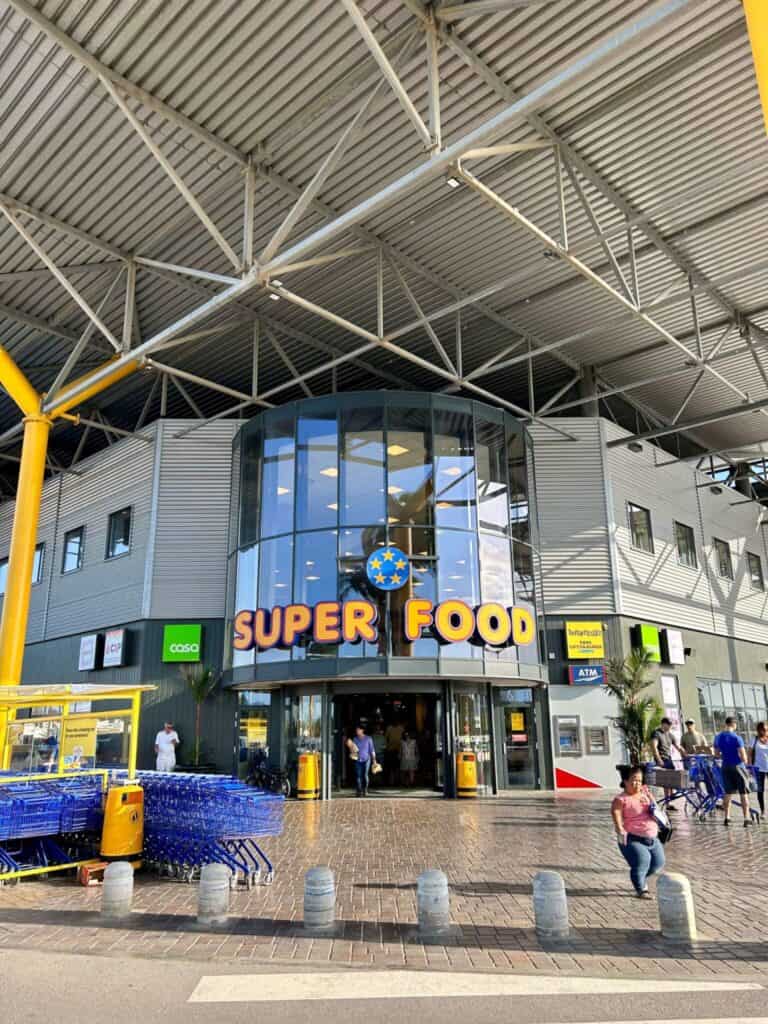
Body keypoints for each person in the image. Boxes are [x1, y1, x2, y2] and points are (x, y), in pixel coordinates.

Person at [611, 766, 666, 899]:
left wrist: (650, 797)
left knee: (658, 863)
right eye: (634, 780)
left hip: (653, 838)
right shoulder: (621, 799)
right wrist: (619, 827)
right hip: (633, 838)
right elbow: (616, 812)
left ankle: (639, 877)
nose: (637, 784)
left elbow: (656, 810)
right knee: (642, 862)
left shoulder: (644, 794)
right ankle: (641, 889)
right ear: (625, 781)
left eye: (640, 781)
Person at [714, 716, 752, 827]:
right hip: (738, 767)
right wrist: (746, 762)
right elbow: (743, 756)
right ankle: (746, 818)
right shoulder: (737, 738)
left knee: (727, 793)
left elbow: (716, 754)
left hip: (725, 766)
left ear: (726, 724)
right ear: (734, 725)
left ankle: (727, 818)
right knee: (743, 793)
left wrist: (725, 756)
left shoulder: (718, 737)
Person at [651, 717, 685, 809]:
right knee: (666, 783)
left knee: (671, 782)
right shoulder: (657, 733)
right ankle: (667, 803)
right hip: (661, 760)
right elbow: (654, 747)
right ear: (663, 724)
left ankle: (669, 800)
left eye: (671, 725)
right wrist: (659, 760)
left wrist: (685, 754)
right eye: (668, 725)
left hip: (669, 760)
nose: (670, 727)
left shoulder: (670, 735)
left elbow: (678, 746)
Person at [349, 724, 377, 797]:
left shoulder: (368, 739)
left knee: (365, 775)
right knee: (358, 775)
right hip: (358, 760)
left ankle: (365, 789)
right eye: (356, 730)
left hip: (366, 759)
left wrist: (374, 760)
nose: (357, 731)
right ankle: (359, 791)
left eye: (358, 730)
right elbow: (353, 750)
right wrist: (350, 748)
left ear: (362, 730)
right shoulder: (355, 739)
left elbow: (372, 750)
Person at [749, 721, 768, 819]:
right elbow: (749, 754)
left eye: (766, 730)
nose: (765, 731)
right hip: (758, 768)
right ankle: (763, 811)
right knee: (760, 790)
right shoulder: (754, 740)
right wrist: (750, 767)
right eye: (764, 730)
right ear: (759, 730)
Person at [384, 720, 404, 786]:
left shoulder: (401, 728)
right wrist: (387, 746)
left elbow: (403, 737)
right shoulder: (389, 728)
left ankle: (397, 781)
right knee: (392, 767)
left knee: (397, 767)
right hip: (391, 749)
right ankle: (392, 781)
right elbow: (386, 738)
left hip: (399, 749)